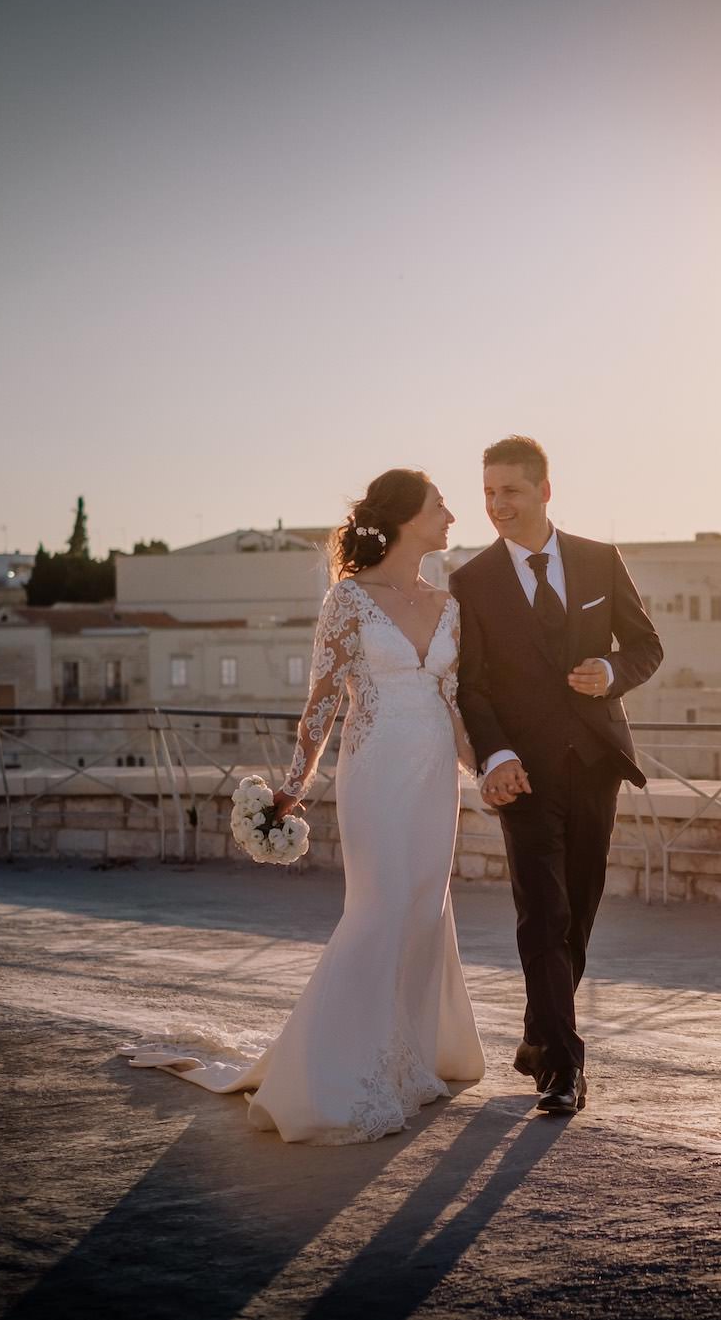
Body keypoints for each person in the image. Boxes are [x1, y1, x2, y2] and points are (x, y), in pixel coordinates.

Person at [119, 469, 486, 1144]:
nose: (452, 516)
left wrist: (484, 769)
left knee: (421, 913)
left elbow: (454, 701)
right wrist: (295, 784)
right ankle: (332, 1076)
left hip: (437, 779)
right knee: (378, 909)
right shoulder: (348, 598)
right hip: (374, 774)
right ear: (406, 517)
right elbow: (321, 702)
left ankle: (401, 1065)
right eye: (441, 506)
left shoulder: (449, 603)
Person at [450, 436, 662, 1116]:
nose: (496, 505)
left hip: (596, 761)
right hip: (524, 774)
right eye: (487, 493)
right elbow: (472, 687)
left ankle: (541, 1032)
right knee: (543, 910)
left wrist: (610, 671)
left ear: (545, 489)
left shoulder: (600, 560)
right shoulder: (472, 581)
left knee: (579, 907)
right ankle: (563, 1068)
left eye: (509, 491)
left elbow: (646, 646)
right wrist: (496, 754)